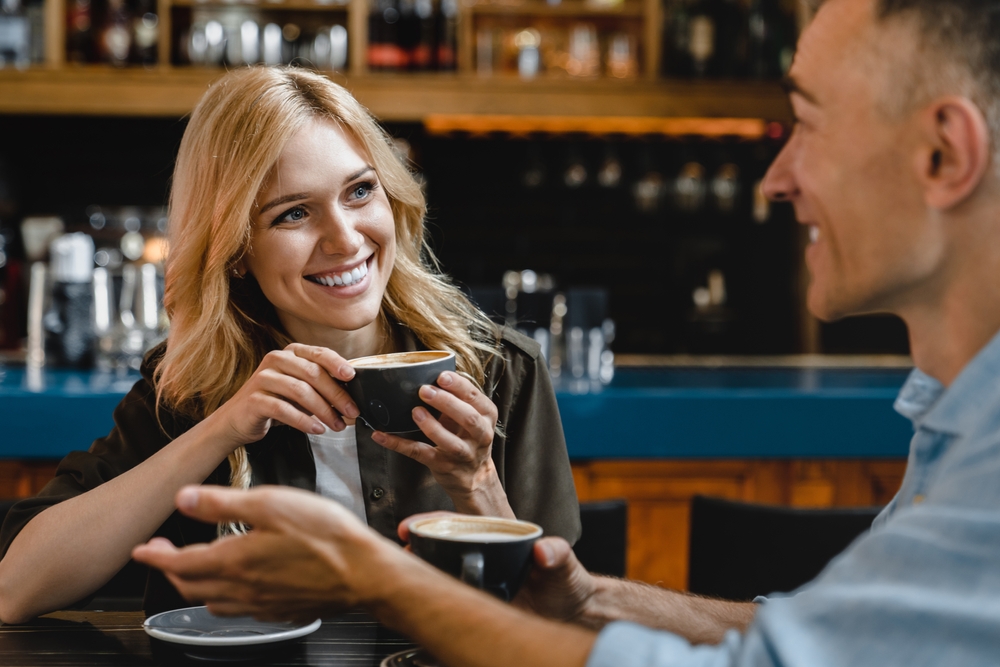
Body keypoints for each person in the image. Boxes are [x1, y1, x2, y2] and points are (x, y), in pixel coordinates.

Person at [133, 0, 1000, 664]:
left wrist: (373, 577)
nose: (774, 179)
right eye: (292, 212)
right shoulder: (954, 420)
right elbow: (794, 641)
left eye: (807, 124)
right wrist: (586, 595)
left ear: (943, 156)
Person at [0, 67, 580, 625]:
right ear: (234, 249)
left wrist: (476, 481)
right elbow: (15, 591)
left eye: (359, 191)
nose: (345, 239)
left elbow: (557, 619)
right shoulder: (187, 387)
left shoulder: (503, 371)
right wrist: (221, 429)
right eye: (294, 213)